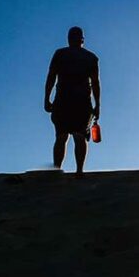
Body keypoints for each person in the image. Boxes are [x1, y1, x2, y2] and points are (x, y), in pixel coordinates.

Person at [44, 26, 100, 175]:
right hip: (80, 102)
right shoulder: (90, 57)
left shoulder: (60, 54)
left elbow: (51, 77)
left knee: (62, 136)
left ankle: (58, 170)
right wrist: (98, 105)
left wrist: (46, 98)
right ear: (82, 39)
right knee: (79, 136)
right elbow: (95, 83)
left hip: (64, 100)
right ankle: (79, 171)